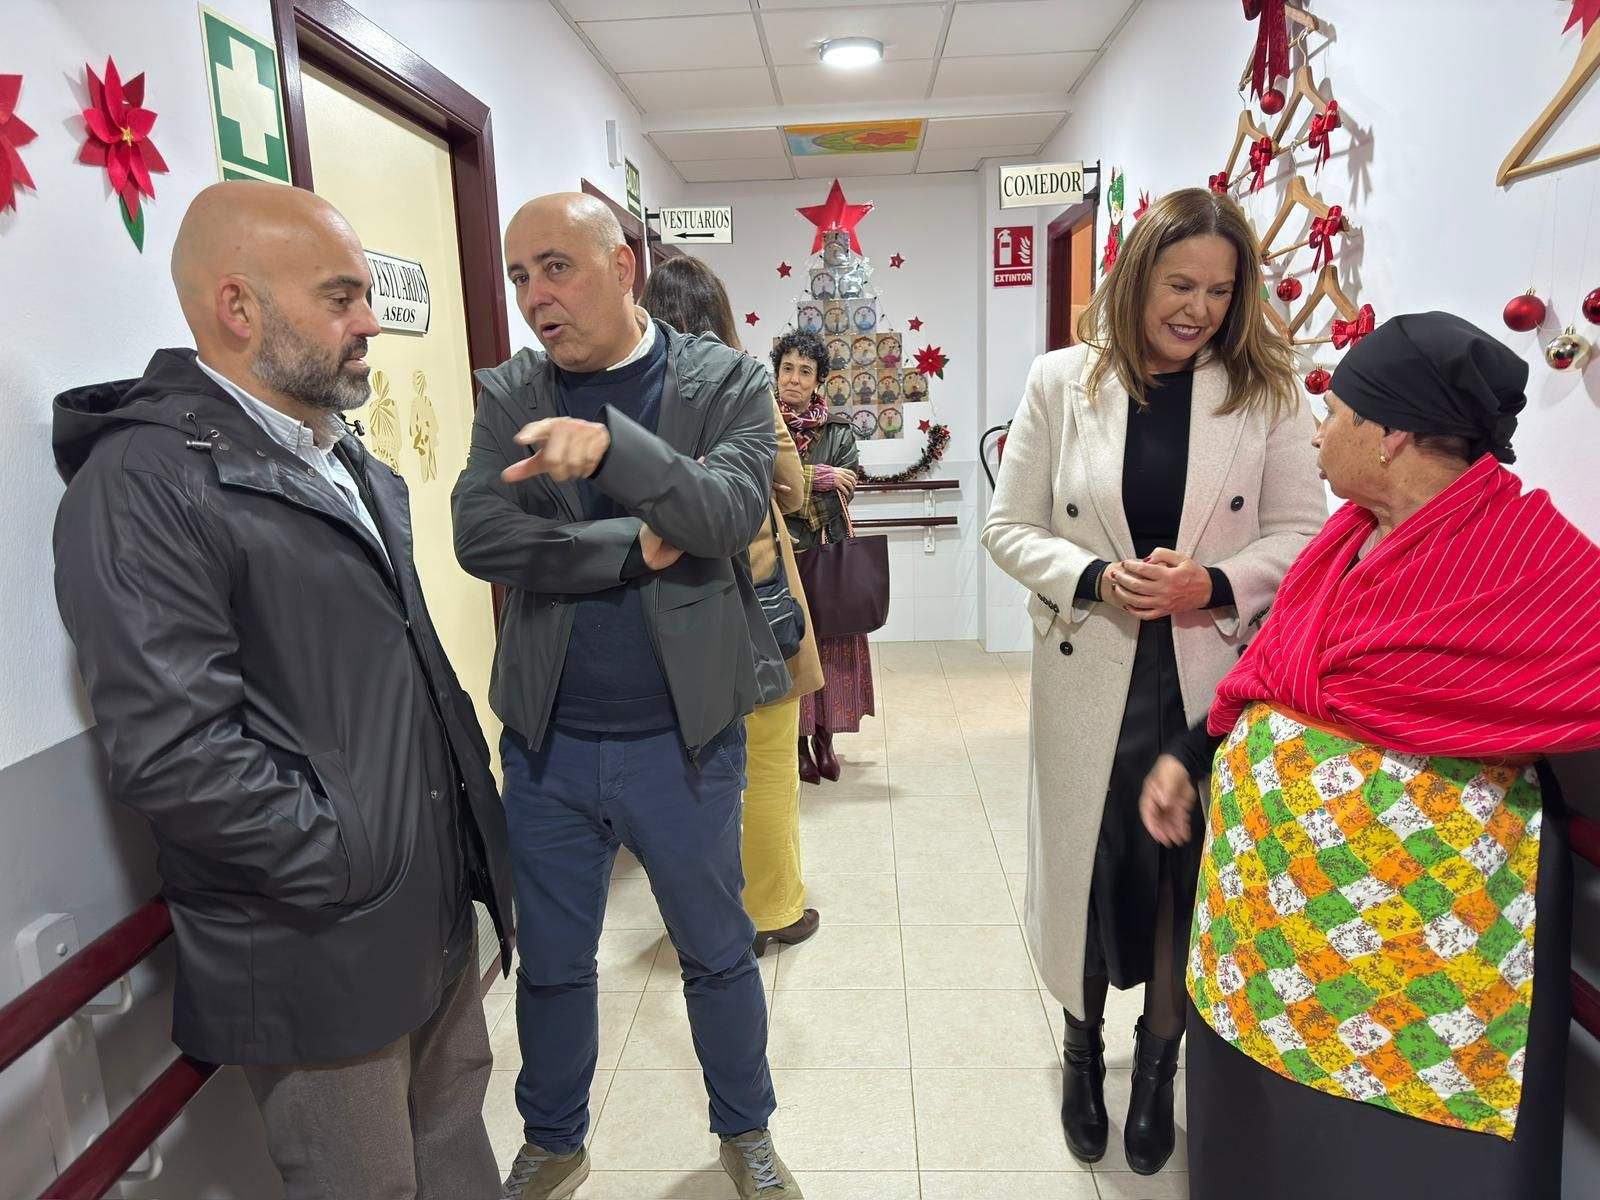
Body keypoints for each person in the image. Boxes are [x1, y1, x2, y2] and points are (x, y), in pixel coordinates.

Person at [51, 181, 513, 1200]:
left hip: (420, 904)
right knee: (368, 1183)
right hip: (319, 939)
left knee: (453, 1149)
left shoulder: (340, 457)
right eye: (341, 296)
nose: (369, 322)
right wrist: (343, 861)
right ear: (238, 308)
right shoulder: (144, 486)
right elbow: (174, 750)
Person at [1140, 311, 1600, 1200]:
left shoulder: (1522, 556)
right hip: (1271, 929)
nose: (1319, 430)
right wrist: (1190, 752)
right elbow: (1279, 666)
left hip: (1413, 943)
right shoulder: (1348, 535)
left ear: (1390, 437)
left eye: (1337, 413)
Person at [450, 194, 802, 1200]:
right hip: (548, 741)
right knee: (553, 964)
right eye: (519, 276)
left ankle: (746, 1132)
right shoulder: (509, 389)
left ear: (623, 269)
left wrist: (613, 451)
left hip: (683, 737)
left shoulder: (722, 379)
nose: (534, 298)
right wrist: (625, 550)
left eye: (555, 268)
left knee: (717, 955)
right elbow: (481, 533)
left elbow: (729, 509)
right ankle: (554, 1137)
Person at [981, 187, 1327, 1173]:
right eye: (1179, 284)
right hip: (1089, 676)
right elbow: (1008, 528)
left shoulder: (1265, 395)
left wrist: (1210, 582)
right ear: (1135, 276)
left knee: (1179, 876)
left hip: (1202, 682)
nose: (1199, 309)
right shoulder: (1061, 381)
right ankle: (1083, 1054)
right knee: (1091, 875)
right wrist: (1092, 575)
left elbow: (1301, 534)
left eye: (1220, 291)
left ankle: (1157, 1066)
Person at [641, 256, 824, 957]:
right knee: (770, 760)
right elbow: (793, 488)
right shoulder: (744, 383)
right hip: (755, 604)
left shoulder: (630, 390)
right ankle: (772, 908)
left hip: (667, 606)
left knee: (688, 770)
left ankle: (702, 916)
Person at [774, 330, 875, 785]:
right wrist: (815, 476)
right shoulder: (759, 425)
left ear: (819, 382)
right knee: (792, 651)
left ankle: (826, 739)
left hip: (828, 556)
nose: (793, 380)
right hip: (781, 560)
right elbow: (764, 485)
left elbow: (845, 488)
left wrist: (797, 486)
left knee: (833, 650)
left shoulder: (837, 430)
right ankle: (796, 743)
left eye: (805, 371)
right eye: (787, 369)